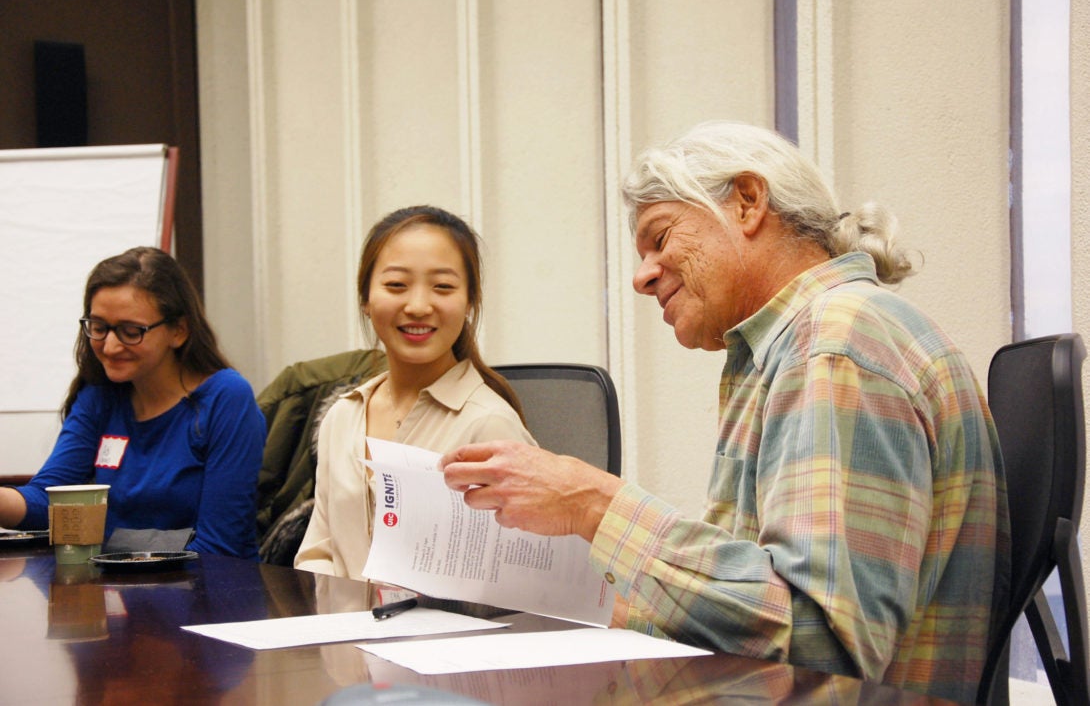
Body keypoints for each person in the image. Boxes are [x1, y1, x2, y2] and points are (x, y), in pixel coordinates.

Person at [439, 121, 1010, 703]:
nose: (641, 277)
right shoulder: (795, 345)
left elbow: (827, 651)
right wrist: (624, 612)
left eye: (659, 239)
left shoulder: (836, 341)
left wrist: (595, 504)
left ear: (747, 202)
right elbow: (768, 610)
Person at [294, 205, 535, 580]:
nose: (419, 306)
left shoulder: (488, 424)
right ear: (366, 298)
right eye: (396, 285)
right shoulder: (342, 416)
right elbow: (318, 553)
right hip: (340, 632)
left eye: (443, 287)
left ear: (470, 302)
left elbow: (521, 579)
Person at [0, 247, 266, 560]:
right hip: (118, 591)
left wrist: (115, 577)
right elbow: (52, 503)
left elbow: (220, 547)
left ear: (178, 331)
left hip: (208, 595)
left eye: (130, 332)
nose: (110, 346)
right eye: (99, 328)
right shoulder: (100, 397)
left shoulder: (225, 398)